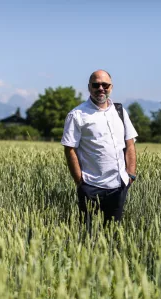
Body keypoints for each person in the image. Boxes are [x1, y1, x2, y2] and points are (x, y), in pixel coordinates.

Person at [61, 70, 138, 231]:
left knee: (113, 236)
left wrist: (130, 174)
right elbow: (70, 149)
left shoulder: (120, 111)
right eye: (96, 85)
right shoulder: (77, 115)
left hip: (119, 186)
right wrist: (80, 182)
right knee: (89, 236)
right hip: (91, 186)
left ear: (111, 87)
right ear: (89, 87)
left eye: (105, 85)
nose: (101, 88)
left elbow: (130, 144)